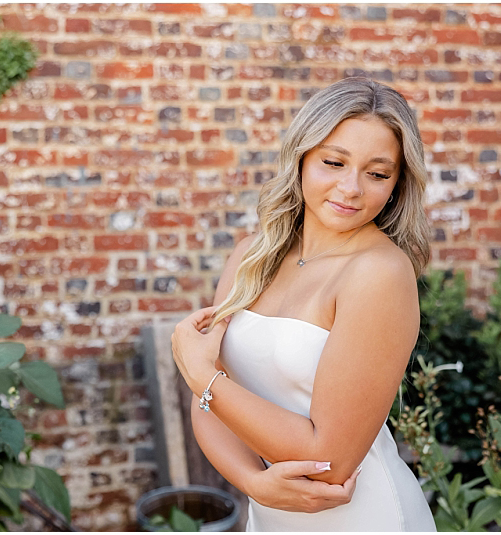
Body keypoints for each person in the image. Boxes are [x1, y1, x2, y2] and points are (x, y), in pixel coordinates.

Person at [172, 77, 436, 531]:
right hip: (272, 515)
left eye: (377, 173)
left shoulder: (380, 273)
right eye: (333, 162)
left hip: (362, 518)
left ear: (397, 183)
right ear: (301, 157)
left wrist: (202, 375)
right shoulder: (252, 256)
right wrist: (254, 483)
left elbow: (328, 464)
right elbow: (209, 409)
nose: (351, 188)